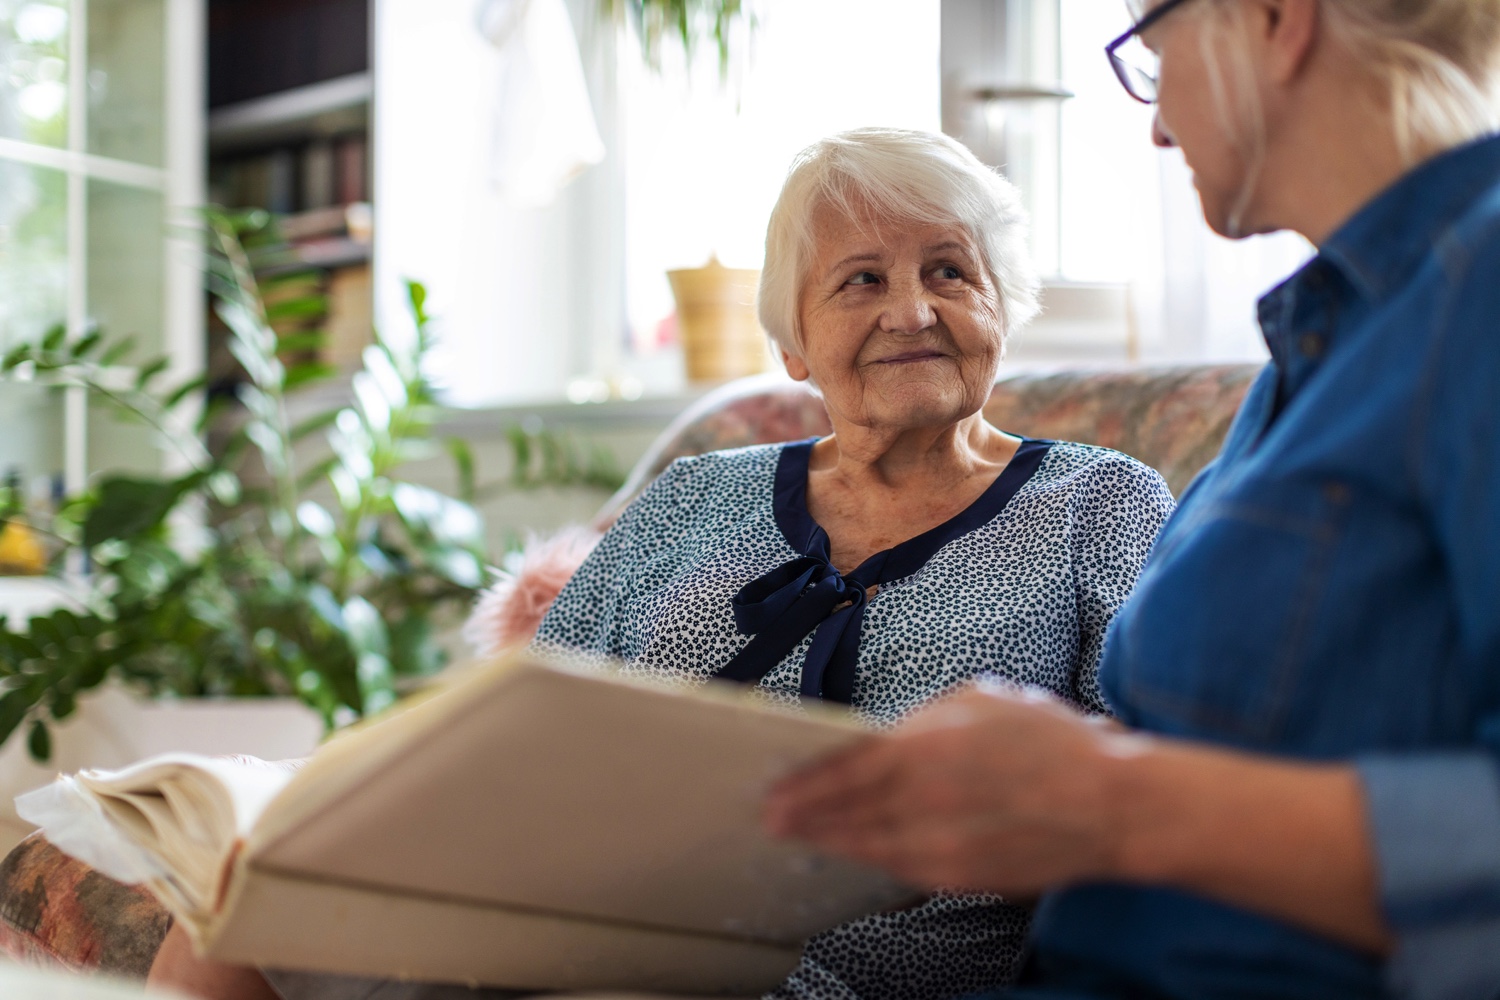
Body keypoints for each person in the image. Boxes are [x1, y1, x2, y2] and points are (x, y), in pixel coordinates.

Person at [147, 128, 1176, 1000]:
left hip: (856, 971)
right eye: (862, 280)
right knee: (230, 917)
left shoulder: (1099, 501)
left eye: (949, 271)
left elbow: (1139, 786)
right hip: (584, 914)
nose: (911, 310)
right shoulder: (696, 495)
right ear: (794, 344)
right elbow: (524, 725)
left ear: (1003, 304)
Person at [764, 3, 1500, 999]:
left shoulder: (1477, 294)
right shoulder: (1323, 344)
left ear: (1275, 21)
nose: (1157, 126)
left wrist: (1110, 799)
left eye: (1154, 57)